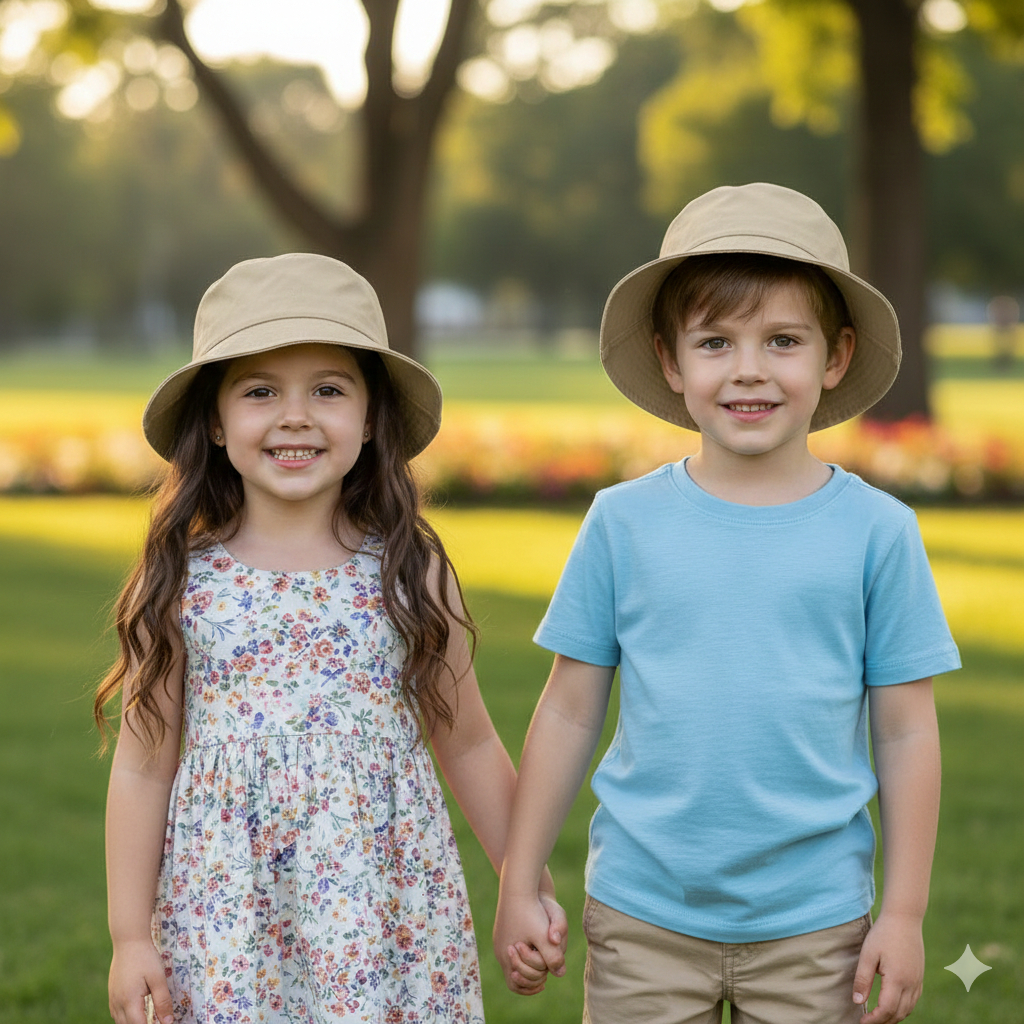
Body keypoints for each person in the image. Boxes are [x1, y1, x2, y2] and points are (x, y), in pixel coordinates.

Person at [493, 183, 960, 1024]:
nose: (749, 368)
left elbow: (905, 731)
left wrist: (903, 913)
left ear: (835, 357)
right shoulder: (622, 522)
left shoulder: (877, 533)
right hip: (642, 912)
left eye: (783, 340)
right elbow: (567, 710)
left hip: (818, 922)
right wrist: (518, 879)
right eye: (716, 341)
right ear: (672, 361)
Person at [95, 254, 565, 1024]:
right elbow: (144, 767)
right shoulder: (182, 582)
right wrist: (129, 937)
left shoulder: (410, 574)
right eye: (260, 391)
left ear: (371, 416)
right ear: (214, 421)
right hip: (229, 918)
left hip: (385, 913)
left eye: (328, 389)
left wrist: (526, 889)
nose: (296, 416)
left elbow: (471, 743)